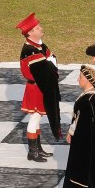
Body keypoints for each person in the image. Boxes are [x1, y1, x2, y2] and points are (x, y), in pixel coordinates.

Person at [17, 13, 62, 162]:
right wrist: (50, 63)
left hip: (41, 86)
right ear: (30, 32)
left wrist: (50, 63)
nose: (41, 28)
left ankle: (37, 149)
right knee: (35, 118)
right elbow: (48, 67)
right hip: (37, 88)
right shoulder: (30, 50)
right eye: (37, 27)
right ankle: (33, 152)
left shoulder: (39, 45)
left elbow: (52, 59)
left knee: (37, 118)